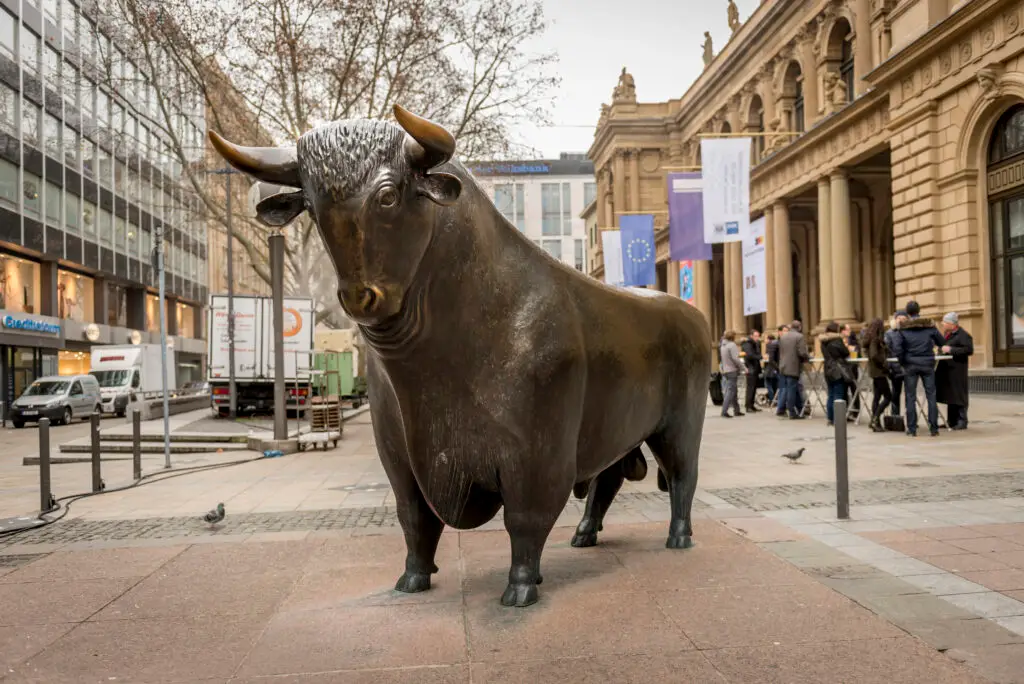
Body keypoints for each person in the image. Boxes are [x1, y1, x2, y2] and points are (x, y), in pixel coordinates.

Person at [890, 300, 945, 437]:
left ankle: (912, 428)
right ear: (919, 311)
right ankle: (934, 428)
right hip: (927, 363)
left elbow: (897, 348)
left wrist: (903, 361)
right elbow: (942, 342)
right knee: (931, 395)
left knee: (910, 396)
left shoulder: (903, 328)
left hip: (910, 364)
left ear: (907, 313)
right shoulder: (929, 325)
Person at [936, 312, 974, 430]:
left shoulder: (963, 335)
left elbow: (968, 350)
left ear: (952, 324)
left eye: (945, 322)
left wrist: (951, 349)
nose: (942, 324)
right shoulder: (948, 334)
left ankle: (962, 420)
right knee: (950, 395)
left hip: (957, 369)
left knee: (959, 395)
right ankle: (951, 421)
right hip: (947, 370)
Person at [861, 318, 892, 432]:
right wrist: (884, 364)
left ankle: (874, 422)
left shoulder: (872, 338)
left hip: (875, 371)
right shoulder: (875, 339)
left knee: (877, 397)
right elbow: (874, 355)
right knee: (888, 396)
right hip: (879, 371)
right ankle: (875, 419)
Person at [820, 322, 852, 426]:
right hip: (837, 369)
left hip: (828, 368)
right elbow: (845, 353)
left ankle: (830, 418)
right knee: (838, 394)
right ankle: (837, 419)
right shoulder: (837, 340)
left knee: (831, 394)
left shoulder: (823, 341)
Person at [776, 320, 808, 420]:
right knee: (792, 390)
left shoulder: (783, 336)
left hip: (783, 366)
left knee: (789, 388)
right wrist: (807, 358)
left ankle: (798, 408)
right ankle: (792, 412)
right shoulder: (799, 336)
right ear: (799, 327)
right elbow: (802, 352)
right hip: (793, 366)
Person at [884, 311, 908, 417]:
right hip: (895, 368)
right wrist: (889, 367)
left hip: (908, 367)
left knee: (910, 395)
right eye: (899, 318)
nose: (902, 320)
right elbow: (887, 351)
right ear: (895, 319)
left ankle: (910, 417)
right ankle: (895, 416)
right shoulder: (889, 333)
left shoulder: (910, 332)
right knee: (895, 393)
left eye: (904, 318)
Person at [719, 331, 743, 418]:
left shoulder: (723, 345)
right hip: (732, 370)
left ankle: (737, 410)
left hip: (726, 370)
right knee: (730, 391)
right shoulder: (732, 345)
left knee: (733, 390)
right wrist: (743, 368)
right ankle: (724, 411)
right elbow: (735, 359)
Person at [741, 330, 763, 412]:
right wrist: (759, 357)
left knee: (754, 388)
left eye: (758, 336)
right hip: (750, 368)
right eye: (756, 336)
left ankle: (752, 405)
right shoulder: (747, 344)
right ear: (751, 336)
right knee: (750, 388)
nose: (757, 338)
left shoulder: (755, 344)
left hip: (755, 368)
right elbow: (750, 355)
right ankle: (748, 406)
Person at [764, 332, 780, 404]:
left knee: (769, 385)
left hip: (770, 369)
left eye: (765, 338)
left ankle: (772, 400)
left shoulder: (769, 345)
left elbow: (770, 359)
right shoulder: (776, 345)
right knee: (775, 386)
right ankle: (775, 400)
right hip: (774, 369)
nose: (764, 340)